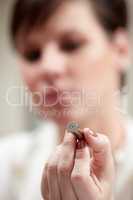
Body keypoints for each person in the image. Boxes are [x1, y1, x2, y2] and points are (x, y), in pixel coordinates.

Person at [0, 0, 132, 199]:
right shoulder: (6, 165)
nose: (49, 67)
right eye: (32, 55)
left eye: (71, 45)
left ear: (121, 49)